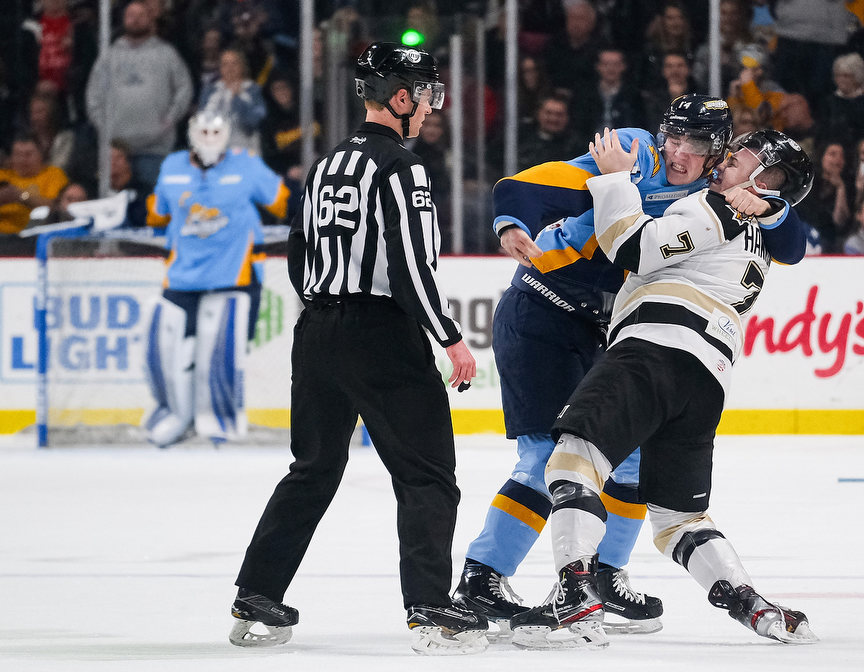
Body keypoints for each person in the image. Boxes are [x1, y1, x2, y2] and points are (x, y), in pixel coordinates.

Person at [452, 95, 809, 636]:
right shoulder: (634, 152)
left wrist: (772, 205)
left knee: (633, 460)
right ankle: (483, 577)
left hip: (610, 330)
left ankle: (601, 577)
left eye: (698, 143)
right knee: (548, 455)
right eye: (675, 137)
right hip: (543, 312)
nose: (680, 152)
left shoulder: (718, 188)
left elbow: (793, 241)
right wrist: (510, 225)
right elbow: (521, 188)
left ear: (720, 151)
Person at [229, 42, 488, 656]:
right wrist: (449, 339)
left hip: (316, 331)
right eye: (424, 96)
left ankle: (256, 594)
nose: (428, 108)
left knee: (313, 469)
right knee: (428, 475)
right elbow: (411, 270)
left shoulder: (321, 166)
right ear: (399, 99)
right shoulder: (404, 168)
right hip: (381, 337)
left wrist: (326, 314)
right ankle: (430, 607)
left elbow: (297, 257)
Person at [143, 111, 290, 447]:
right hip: (183, 278)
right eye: (203, 131)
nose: (209, 137)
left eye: (216, 131)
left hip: (235, 278)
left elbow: (282, 202)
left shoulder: (247, 165)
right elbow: (157, 211)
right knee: (171, 351)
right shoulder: (172, 167)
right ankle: (179, 417)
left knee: (223, 353)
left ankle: (219, 422)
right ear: (192, 133)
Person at [85, 0, 193, 191]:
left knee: (155, 203)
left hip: (155, 149)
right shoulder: (109, 56)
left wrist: (169, 119)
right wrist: (103, 126)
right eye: (130, 16)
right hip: (117, 150)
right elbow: (93, 94)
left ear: (150, 19)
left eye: (140, 16)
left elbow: (184, 89)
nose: (135, 21)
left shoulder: (167, 54)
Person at [0, 133, 69, 234]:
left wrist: (21, 196)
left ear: (41, 155)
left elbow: (56, 207)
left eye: (28, 154)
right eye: (18, 154)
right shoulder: (3, 175)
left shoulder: (53, 175)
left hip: (37, 234)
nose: (23, 159)